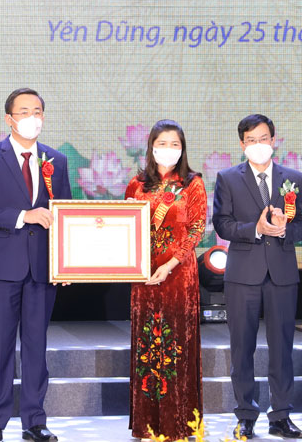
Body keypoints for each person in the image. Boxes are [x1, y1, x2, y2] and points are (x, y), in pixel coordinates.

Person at [0, 88, 71, 442]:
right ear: (9, 118)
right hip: (2, 269)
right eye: (24, 111)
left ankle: (34, 421)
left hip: (43, 269)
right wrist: (24, 216)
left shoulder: (57, 160)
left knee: (36, 347)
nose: (31, 117)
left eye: (37, 111)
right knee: (0, 346)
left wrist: (66, 263)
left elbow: (65, 215)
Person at [211, 114, 302, 440]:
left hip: (282, 274)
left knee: (282, 348)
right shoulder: (228, 178)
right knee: (242, 349)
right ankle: (246, 416)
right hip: (243, 275)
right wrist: (255, 228)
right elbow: (221, 223)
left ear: (274, 140)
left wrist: (284, 230)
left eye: (263, 138)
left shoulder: (292, 178)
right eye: (251, 140)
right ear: (242, 144)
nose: (258, 144)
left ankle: (281, 417)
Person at [123, 120, 206, 440]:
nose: (168, 149)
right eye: (162, 143)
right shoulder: (137, 185)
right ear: (151, 147)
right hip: (144, 276)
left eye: (175, 144)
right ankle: (147, 424)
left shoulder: (192, 184)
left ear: (182, 149)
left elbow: (196, 229)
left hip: (178, 276)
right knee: (148, 346)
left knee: (176, 347)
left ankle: (179, 423)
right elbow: (125, 227)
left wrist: (170, 264)